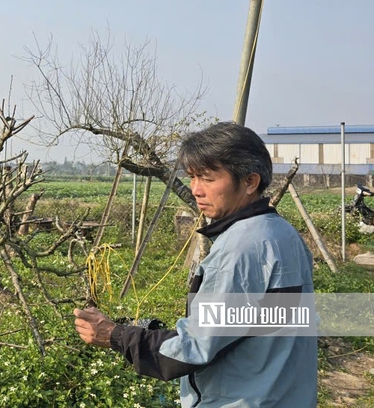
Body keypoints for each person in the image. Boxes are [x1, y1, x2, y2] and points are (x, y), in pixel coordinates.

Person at [73, 121, 316, 407]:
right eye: (192, 177)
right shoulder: (283, 233)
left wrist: (115, 335)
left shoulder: (239, 249)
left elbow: (193, 350)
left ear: (250, 182)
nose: (196, 189)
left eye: (208, 178)